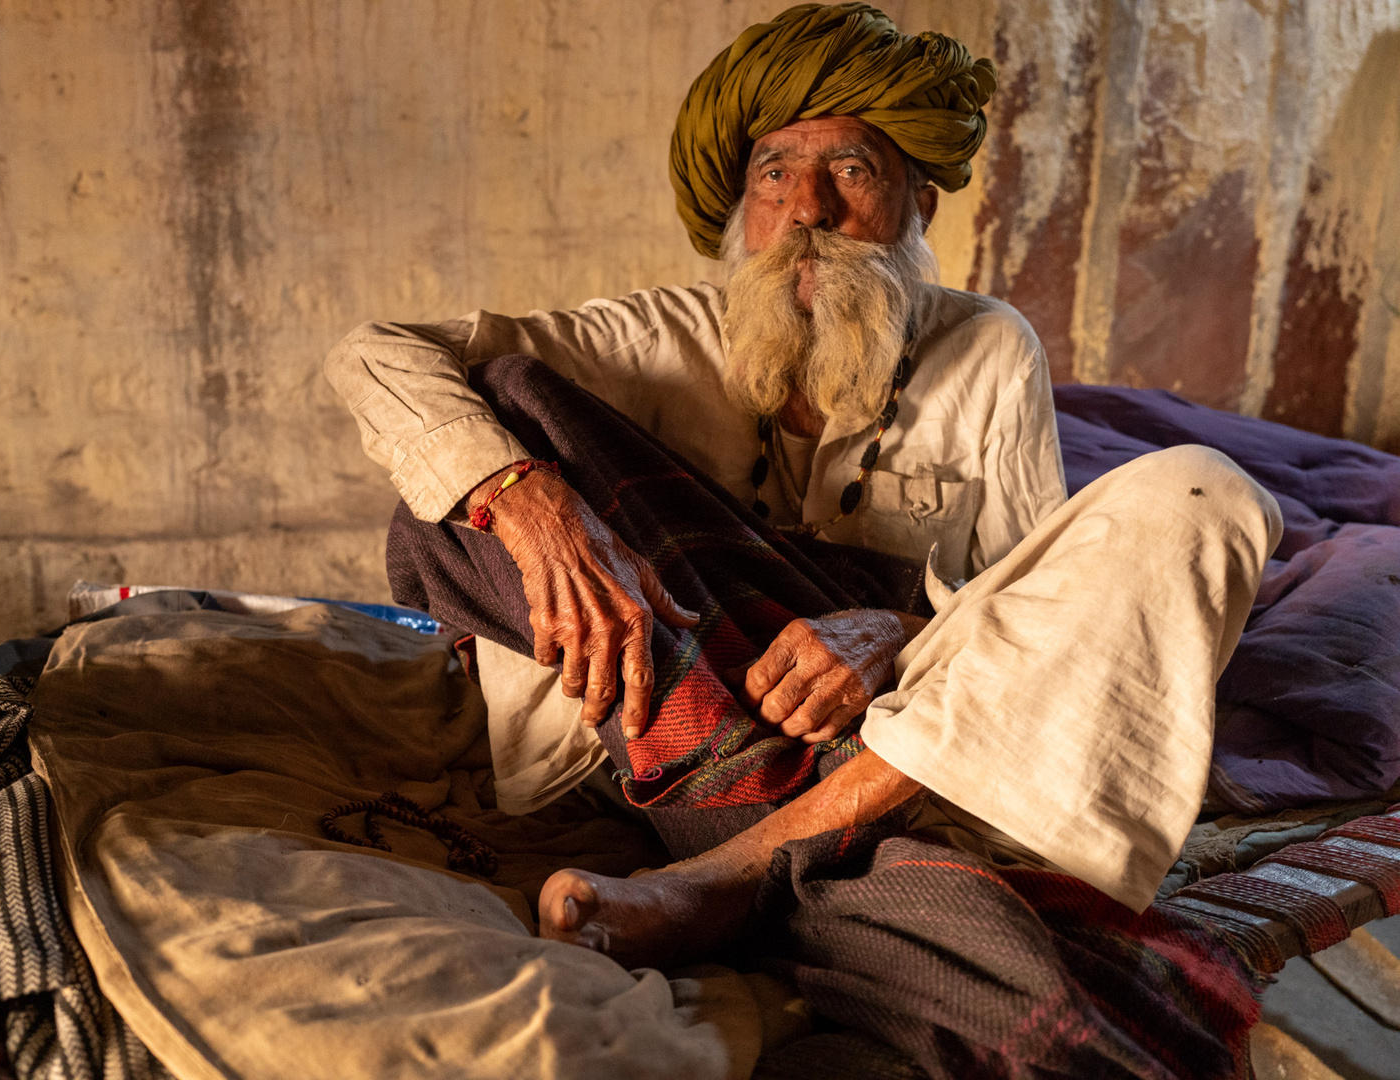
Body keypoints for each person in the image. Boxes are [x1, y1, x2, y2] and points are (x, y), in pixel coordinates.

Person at [326, 3, 1281, 969]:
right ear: (743, 208)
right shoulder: (664, 334)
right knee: (497, 414)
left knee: (1203, 491)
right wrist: (533, 508)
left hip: (895, 729)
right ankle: (807, 845)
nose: (808, 209)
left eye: (851, 172)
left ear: (920, 204)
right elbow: (375, 354)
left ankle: (729, 878)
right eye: (775, 173)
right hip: (675, 726)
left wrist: (893, 635)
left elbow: (1026, 611)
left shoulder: (989, 347)